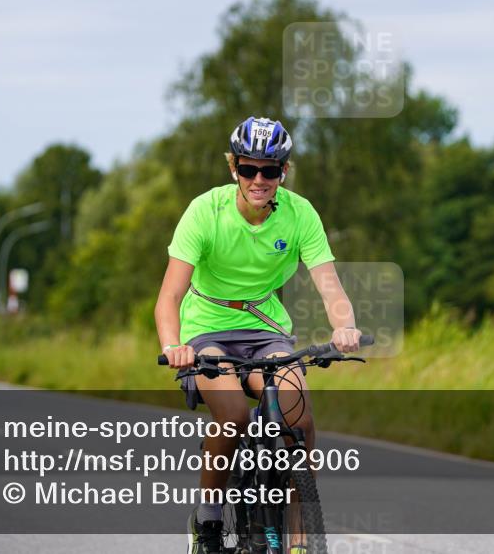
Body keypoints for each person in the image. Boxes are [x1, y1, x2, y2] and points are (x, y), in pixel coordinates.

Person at [155, 117, 361, 554]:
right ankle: (208, 520)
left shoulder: (300, 213)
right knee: (232, 416)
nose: (259, 180)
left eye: (270, 171)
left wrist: (344, 326)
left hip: (265, 331)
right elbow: (169, 296)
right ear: (234, 168)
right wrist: (173, 346)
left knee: (298, 417)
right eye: (249, 169)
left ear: (283, 172)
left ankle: (301, 539)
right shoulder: (205, 211)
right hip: (206, 331)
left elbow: (329, 285)